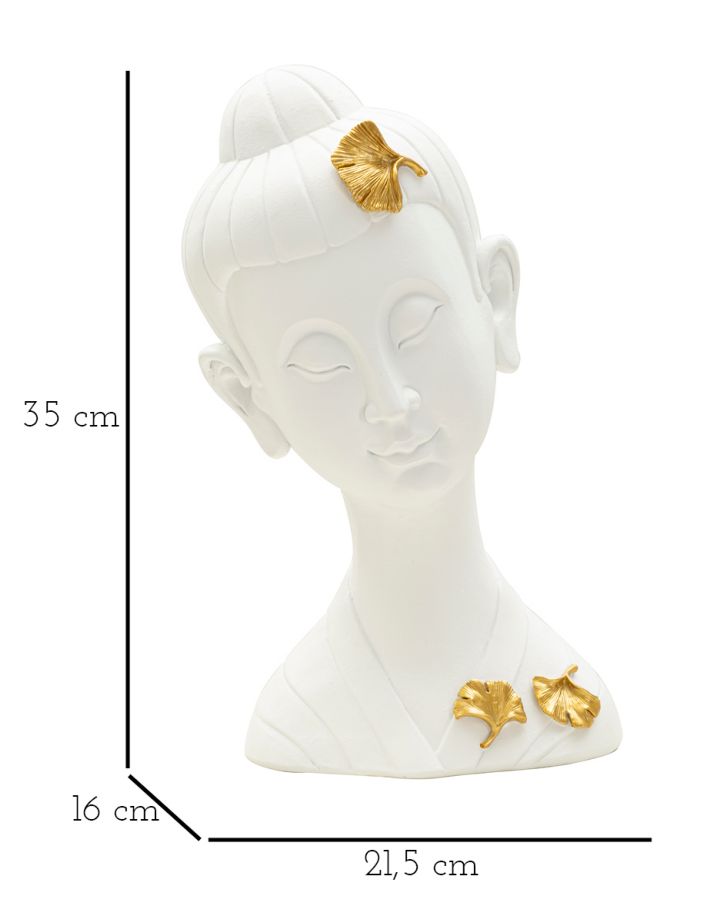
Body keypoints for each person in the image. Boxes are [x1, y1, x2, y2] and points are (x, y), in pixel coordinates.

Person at [182, 65, 621, 776]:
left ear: (495, 302)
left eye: (413, 324)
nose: (390, 400)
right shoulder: (299, 718)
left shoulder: (559, 694)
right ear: (250, 398)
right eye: (322, 363)